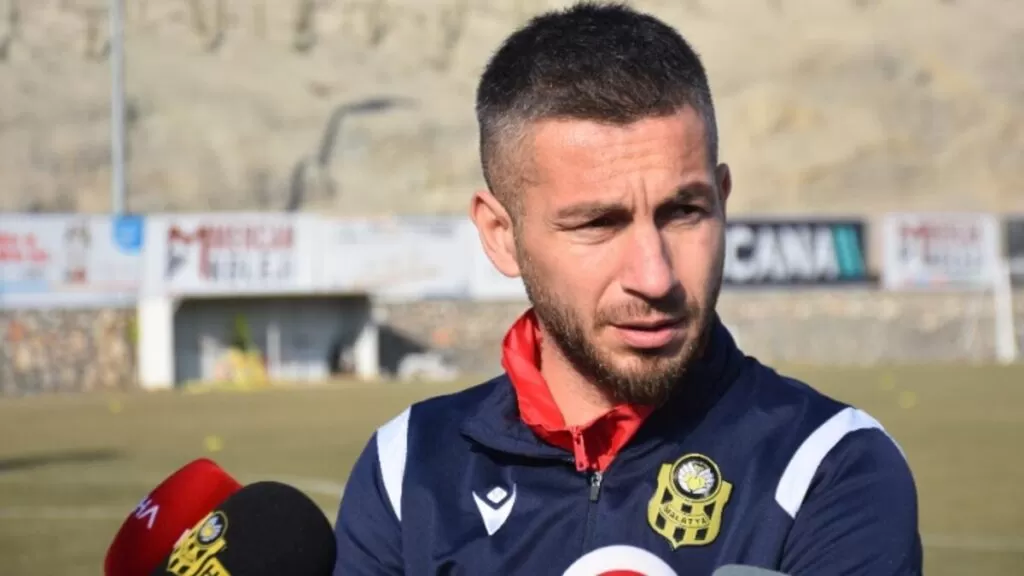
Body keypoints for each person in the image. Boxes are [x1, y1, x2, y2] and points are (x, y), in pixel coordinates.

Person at [333, 3, 922, 575]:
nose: (654, 276)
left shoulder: (830, 468)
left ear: (722, 201)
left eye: (684, 212)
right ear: (501, 235)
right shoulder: (407, 469)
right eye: (598, 223)